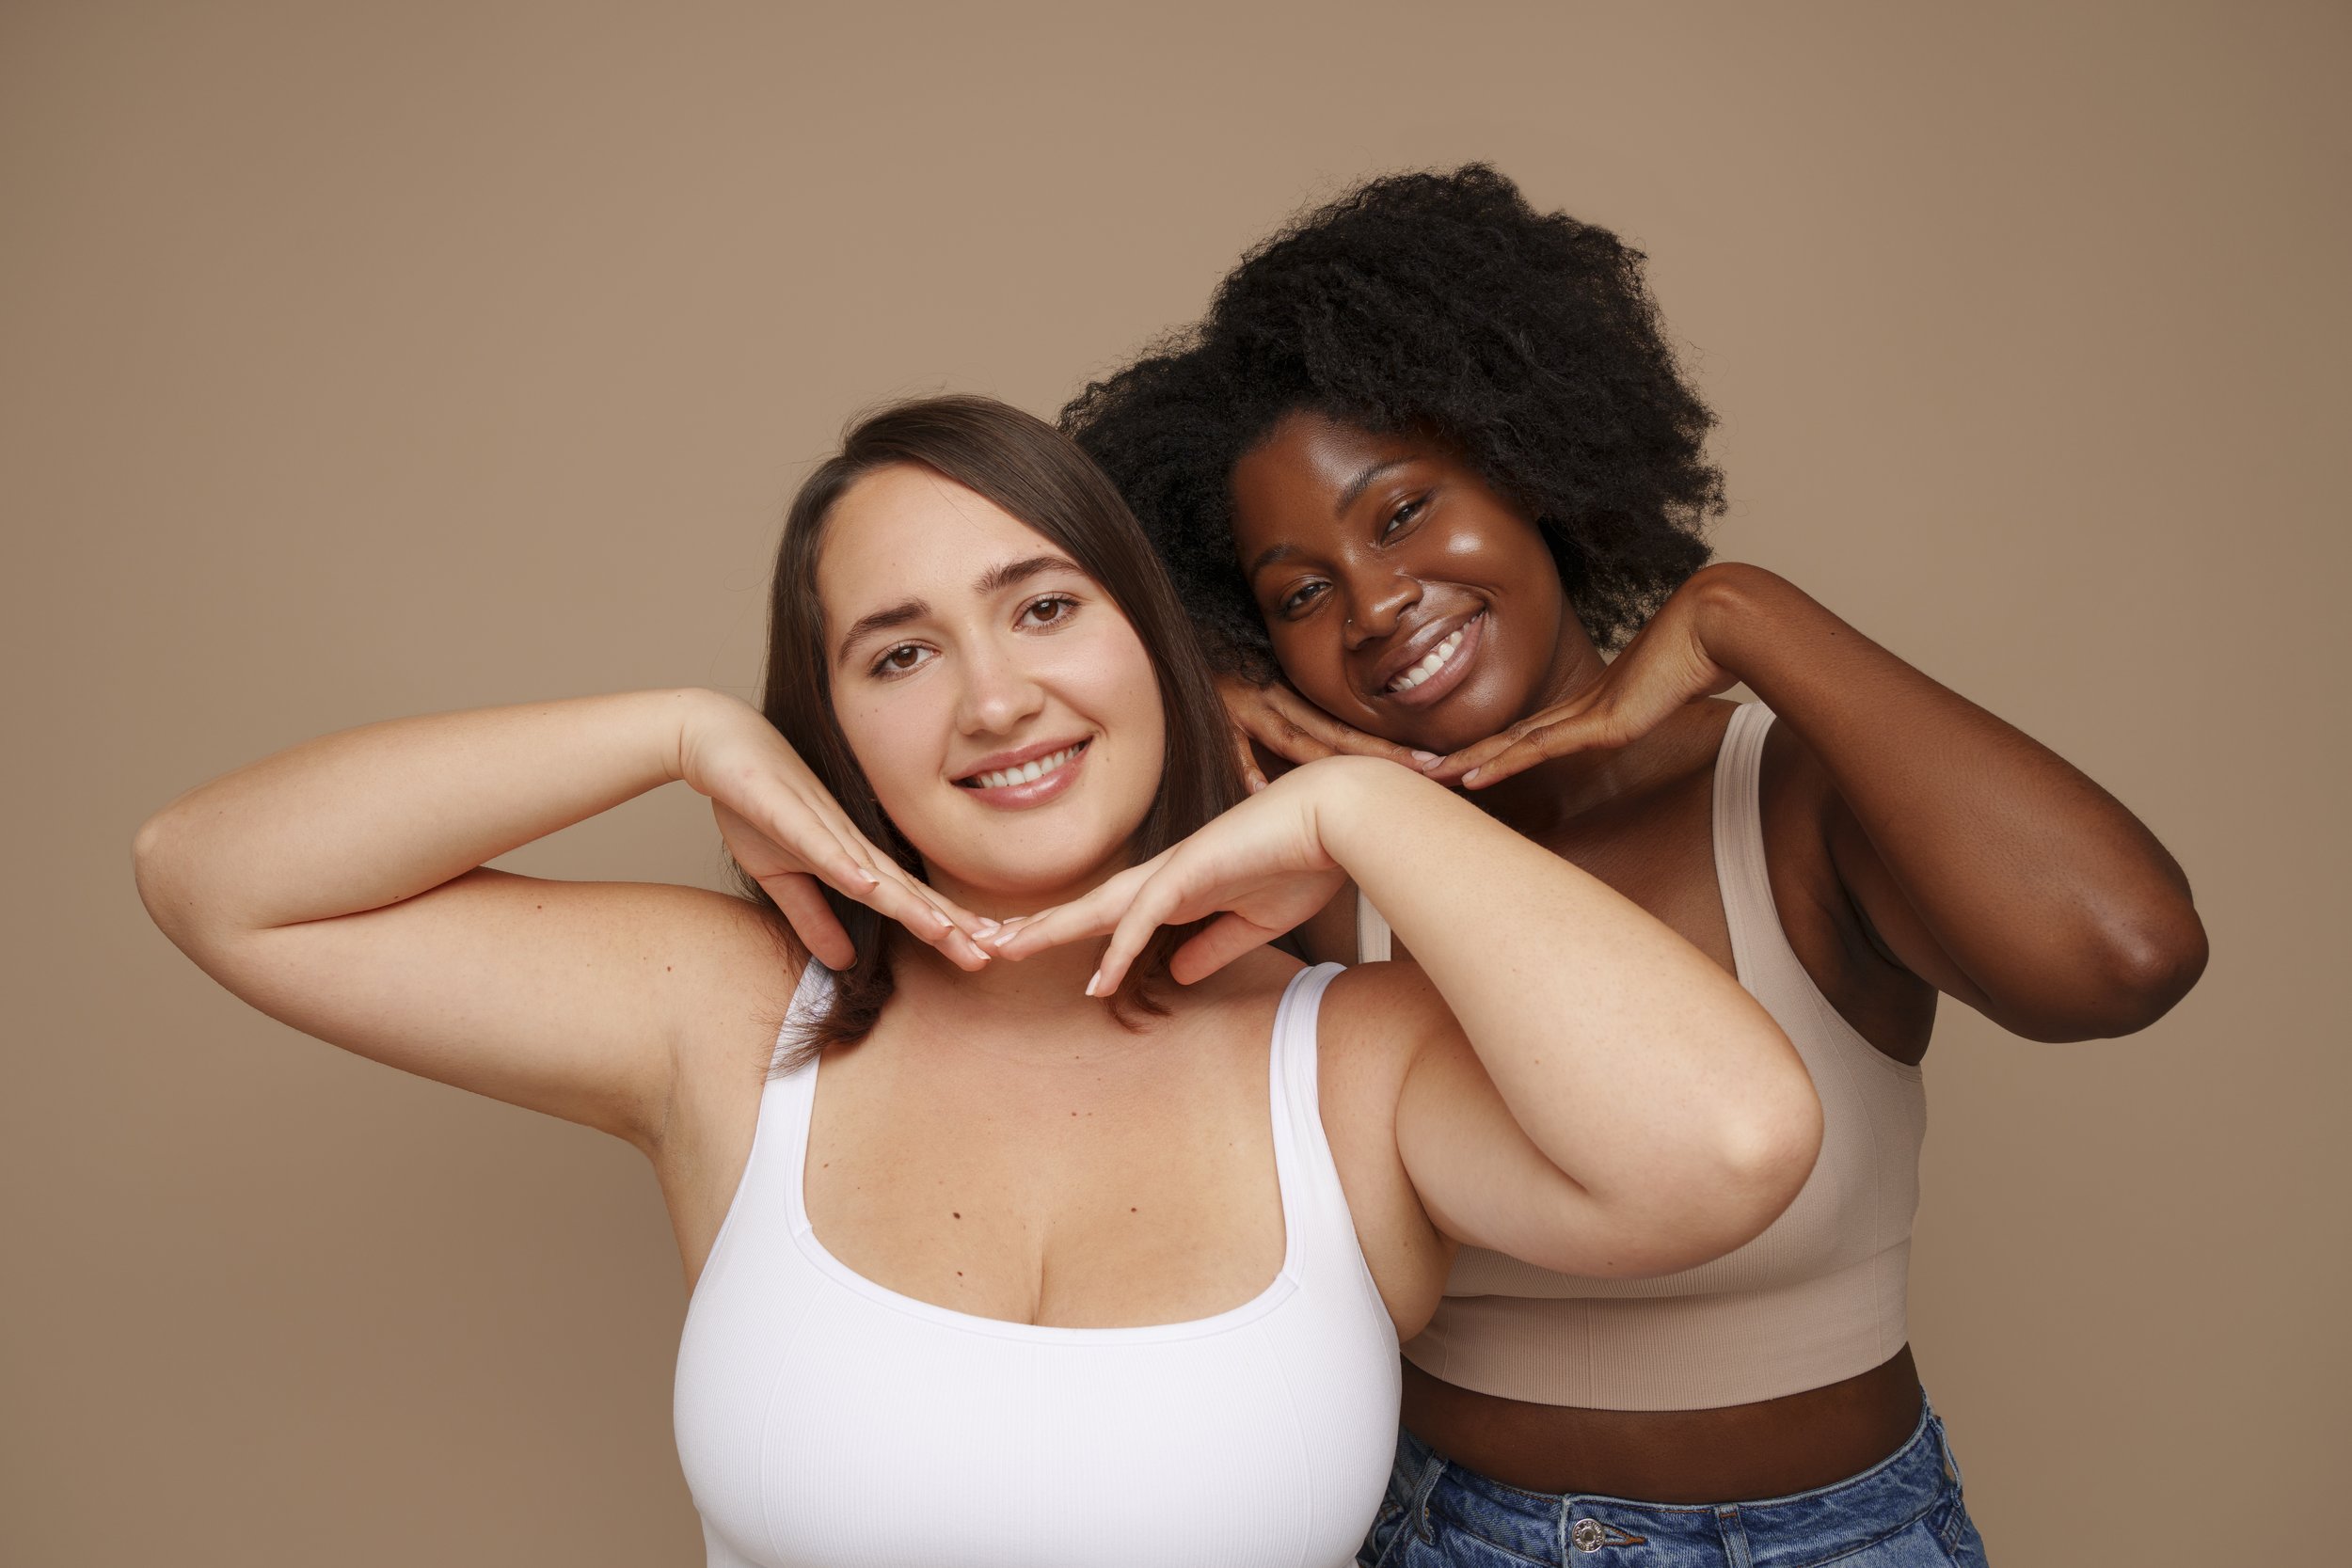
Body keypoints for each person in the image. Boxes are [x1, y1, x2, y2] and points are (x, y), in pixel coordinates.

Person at [130, 395, 1821, 1568]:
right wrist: (676, 732)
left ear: (1155, 648)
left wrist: (1367, 812)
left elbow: (1733, 1143)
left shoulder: (1349, 1061)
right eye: (900, 652)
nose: (995, 699)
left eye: (1043, 607)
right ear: (841, 733)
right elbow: (220, 882)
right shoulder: (731, 1015)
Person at [1063, 166, 2211, 1567]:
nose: (1373, 606)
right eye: (1297, 593)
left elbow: (2124, 952)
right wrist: (1185, 691)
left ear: (1533, 467)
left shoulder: (1785, 797)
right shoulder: (1324, 869)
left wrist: (1743, 612)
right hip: (1430, 1532)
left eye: (1405, 513)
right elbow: (986, 988)